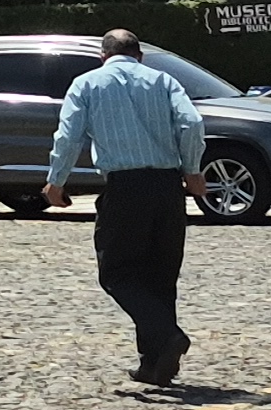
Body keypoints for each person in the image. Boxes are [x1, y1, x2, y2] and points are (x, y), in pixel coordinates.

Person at [45, 29, 206, 385]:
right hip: (167, 187)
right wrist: (193, 169)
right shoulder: (163, 80)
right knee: (161, 274)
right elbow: (192, 122)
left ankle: (167, 337)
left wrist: (57, 181)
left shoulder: (87, 84)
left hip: (125, 186)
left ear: (103, 56)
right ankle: (155, 363)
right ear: (140, 56)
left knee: (117, 272)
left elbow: (69, 135)